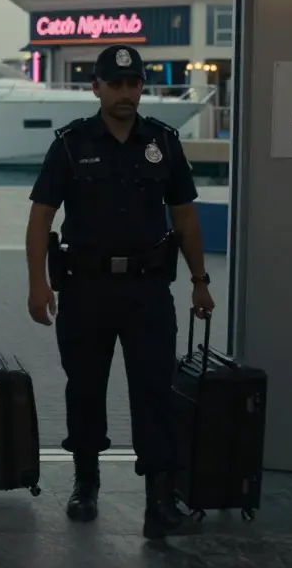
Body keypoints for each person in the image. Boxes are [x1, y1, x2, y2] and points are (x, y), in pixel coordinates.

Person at [24, 43, 215, 540]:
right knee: (84, 388)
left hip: (148, 290)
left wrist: (199, 281)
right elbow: (41, 214)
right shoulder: (70, 144)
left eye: (134, 84)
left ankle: (159, 501)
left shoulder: (164, 143)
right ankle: (86, 482)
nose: (127, 93)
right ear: (97, 87)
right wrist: (37, 283)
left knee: (154, 391)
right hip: (85, 289)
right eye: (117, 84)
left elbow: (185, 215)